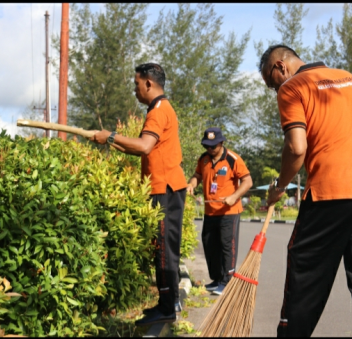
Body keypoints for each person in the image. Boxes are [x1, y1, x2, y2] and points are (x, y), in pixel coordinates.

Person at [259, 45, 352, 337]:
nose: (275, 91)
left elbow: (296, 148)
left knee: (305, 278)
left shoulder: (293, 87)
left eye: (272, 84)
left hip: (330, 195)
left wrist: (280, 187)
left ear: (280, 67)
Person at [90, 63, 187, 326]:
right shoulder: (160, 108)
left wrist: (110, 136)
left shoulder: (158, 111)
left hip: (164, 188)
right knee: (164, 248)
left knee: (164, 250)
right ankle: (169, 302)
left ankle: (168, 307)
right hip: (166, 187)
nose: (134, 89)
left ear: (148, 83)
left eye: (136, 84)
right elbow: (142, 150)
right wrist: (109, 141)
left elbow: (144, 146)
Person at [186, 127, 253, 295]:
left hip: (229, 212)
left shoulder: (233, 159)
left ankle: (227, 281)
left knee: (226, 246)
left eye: (213, 146)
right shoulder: (204, 159)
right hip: (210, 212)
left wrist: (234, 196)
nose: (210, 149)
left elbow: (247, 181)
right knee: (209, 245)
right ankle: (216, 279)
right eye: (207, 146)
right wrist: (191, 184)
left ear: (221, 143)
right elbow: (197, 176)